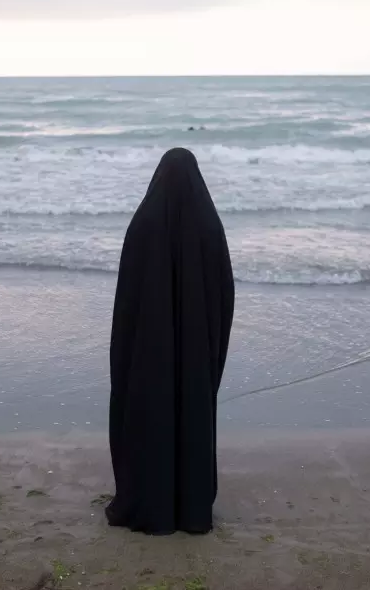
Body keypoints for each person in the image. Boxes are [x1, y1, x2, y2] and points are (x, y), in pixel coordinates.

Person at [106, 147, 235, 535]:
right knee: (193, 412)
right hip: (197, 351)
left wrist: (127, 352)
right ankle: (191, 508)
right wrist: (210, 344)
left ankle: (149, 501)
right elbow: (225, 295)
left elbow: (125, 299)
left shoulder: (142, 225)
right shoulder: (210, 228)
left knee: (149, 413)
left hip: (147, 351)